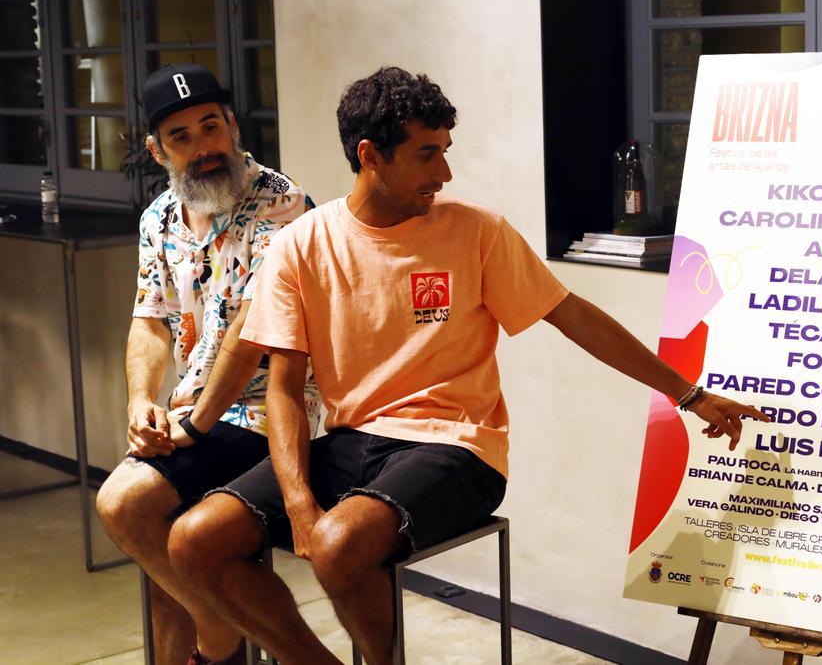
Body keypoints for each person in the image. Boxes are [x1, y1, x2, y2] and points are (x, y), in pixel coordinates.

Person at [167, 67, 766, 665]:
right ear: (371, 154)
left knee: (336, 545)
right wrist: (298, 504)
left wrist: (689, 395)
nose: (444, 173)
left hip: (458, 449)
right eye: (427, 155)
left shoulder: (476, 231)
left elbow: (576, 317)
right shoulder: (302, 244)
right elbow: (286, 389)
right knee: (194, 541)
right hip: (352, 443)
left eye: (445, 152)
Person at [94, 63, 320, 665]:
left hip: (278, 411)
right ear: (157, 149)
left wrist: (192, 425)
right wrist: (141, 403)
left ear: (233, 126)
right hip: (199, 408)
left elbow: (252, 332)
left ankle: (221, 637)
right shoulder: (159, 218)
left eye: (211, 127)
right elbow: (149, 320)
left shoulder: (283, 205)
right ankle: (210, 631)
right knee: (159, 555)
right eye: (182, 137)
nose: (203, 148)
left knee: (125, 504)